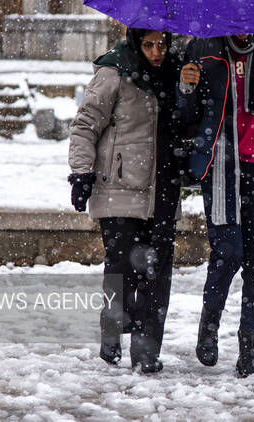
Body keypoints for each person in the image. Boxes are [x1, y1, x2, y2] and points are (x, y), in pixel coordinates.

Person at [178, 32, 254, 377]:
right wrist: (186, 87)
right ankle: (209, 327)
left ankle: (249, 350)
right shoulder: (203, 46)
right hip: (221, 165)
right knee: (228, 252)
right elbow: (187, 116)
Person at [68, 28, 183, 373]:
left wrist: (189, 88)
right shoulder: (114, 72)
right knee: (122, 267)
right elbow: (86, 124)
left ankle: (147, 352)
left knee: (156, 274)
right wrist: (81, 172)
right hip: (118, 187)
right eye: (148, 44)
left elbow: (190, 123)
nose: (157, 51)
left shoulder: (177, 74)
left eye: (162, 44)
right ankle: (112, 325)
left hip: (163, 188)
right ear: (135, 42)